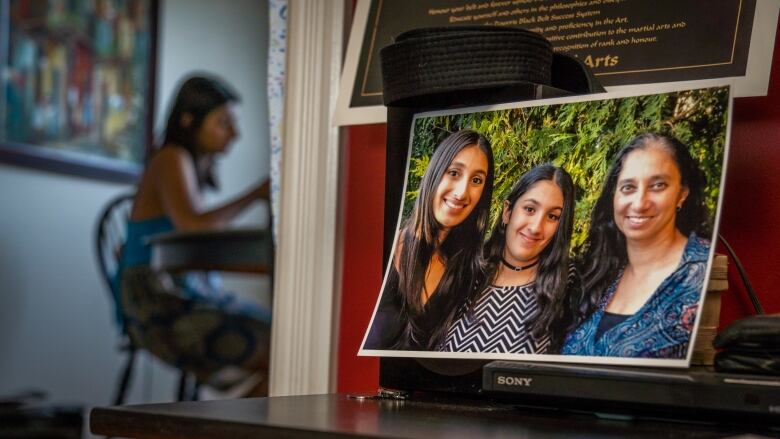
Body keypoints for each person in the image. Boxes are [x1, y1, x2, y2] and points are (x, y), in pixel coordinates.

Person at [117, 75, 271, 394]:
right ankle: (228, 421)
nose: (235, 133)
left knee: (283, 338)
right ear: (189, 121)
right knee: (284, 345)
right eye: (223, 123)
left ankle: (228, 415)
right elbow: (193, 225)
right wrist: (256, 194)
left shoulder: (186, 164)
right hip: (158, 305)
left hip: (179, 295)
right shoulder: (171, 157)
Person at [562, 133, 710, 358]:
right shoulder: (601, 272)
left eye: (658, 185)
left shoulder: (703, 270)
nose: (640, 203)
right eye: (628, 187)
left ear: (682, 194)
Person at [364, 129, 495, 350]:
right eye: (454, 172)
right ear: (434, 173)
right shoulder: (380, 250)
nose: (462, 192)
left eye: (476, 180)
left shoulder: (464, 271)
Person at [441, 164, 581, 354]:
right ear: (508, 211)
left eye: (552, 217)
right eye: (530, 209)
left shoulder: (570, 284)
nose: (536, 227)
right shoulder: (466, 269)